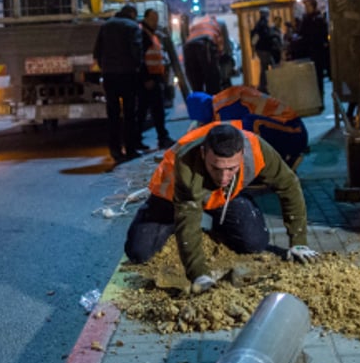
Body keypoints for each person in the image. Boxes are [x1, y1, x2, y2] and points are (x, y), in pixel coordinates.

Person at [124, 122, 319, 292]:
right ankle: (162, 222)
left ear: (242, 154)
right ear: (203, 154)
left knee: (254, 243)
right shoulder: (186, 165)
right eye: (216, 168)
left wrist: (298, 241)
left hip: (224, 196)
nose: (224, 177)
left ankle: (221, 226)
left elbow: (289, 185)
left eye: (231, 169)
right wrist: (199, 274)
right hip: (171, 199)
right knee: (139, 252)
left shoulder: (257, 149)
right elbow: (188, 217)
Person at [186, 85, 309, 168]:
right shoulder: (220, 102)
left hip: (295, 133)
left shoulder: (226, 109)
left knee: (245, 126)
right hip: (291, 130)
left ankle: (278, 162)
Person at [94, 3, 144, 162]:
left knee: (113, 114)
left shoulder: (106, 26)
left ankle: (115, 150)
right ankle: (130, 149)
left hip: (109, 75)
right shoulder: (132, 26)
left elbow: (97, 51)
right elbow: (136, 51)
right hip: (127, 74)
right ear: (131, 13)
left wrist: (105, 68)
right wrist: (137, 68)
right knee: (130, 113)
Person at [137, 8, 176, 150]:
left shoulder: (151, 34)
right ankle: (161, 138)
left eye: (156, 19)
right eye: (153, 19)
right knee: (153, 110)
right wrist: (146, 78)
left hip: (154, 77)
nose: (155, 22)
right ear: (146, 18)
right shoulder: (143, 34)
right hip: (149, 79)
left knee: (148, 110)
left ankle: (140, 139)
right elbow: (140, 58)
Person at [293, 0, 330, 108]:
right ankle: (313, 101)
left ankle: (319, 101)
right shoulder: (306, 19)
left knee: (318, 78)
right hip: (308, 52)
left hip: (316, 52)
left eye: (308, 6)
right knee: (310, 79)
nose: (306, 8)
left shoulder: (318, 19)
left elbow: (320, 35)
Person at [183, 13, 224, 94]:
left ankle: (199, 102)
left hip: (188, 46)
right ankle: (212, 103)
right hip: (205, 44)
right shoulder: (218, 23)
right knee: (212, 80)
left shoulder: (196, 24)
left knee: (196, 83)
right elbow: (221, 46)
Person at [250, 8, 283, 92]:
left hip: (260, 49)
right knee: (270, 66)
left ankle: (263, 85)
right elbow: (266, 36)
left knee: (264, 67)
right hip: (265, 49)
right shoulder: (263, 25)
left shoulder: (258, 24)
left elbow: (255, 38)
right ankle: (268, 85)